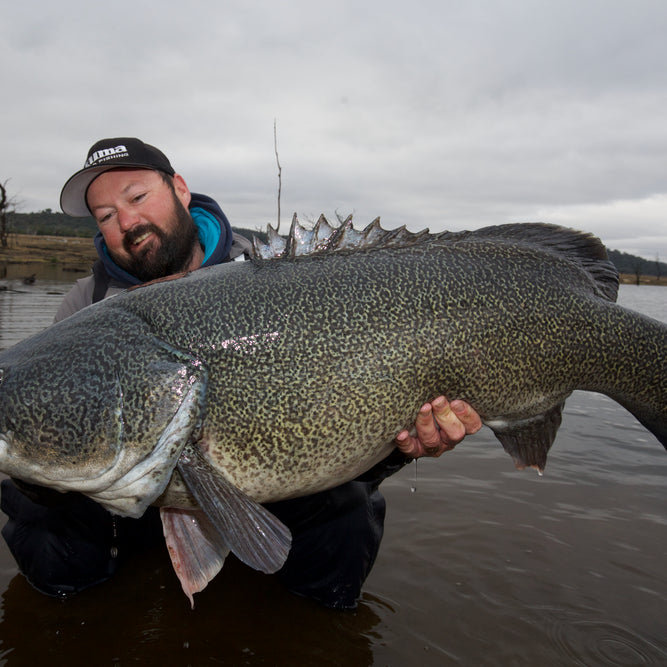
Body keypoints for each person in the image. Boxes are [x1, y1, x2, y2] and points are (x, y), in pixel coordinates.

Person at [0, 138, 482, 608]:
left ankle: (314, 632)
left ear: (180, 190)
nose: (127, 221)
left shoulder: (271, 272)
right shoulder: (84, 305)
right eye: (105, 216)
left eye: (137, 196)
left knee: (348, 511)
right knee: (36, 516)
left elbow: (357, 408)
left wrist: (403, 447)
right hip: (138, 488)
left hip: (285, 482)